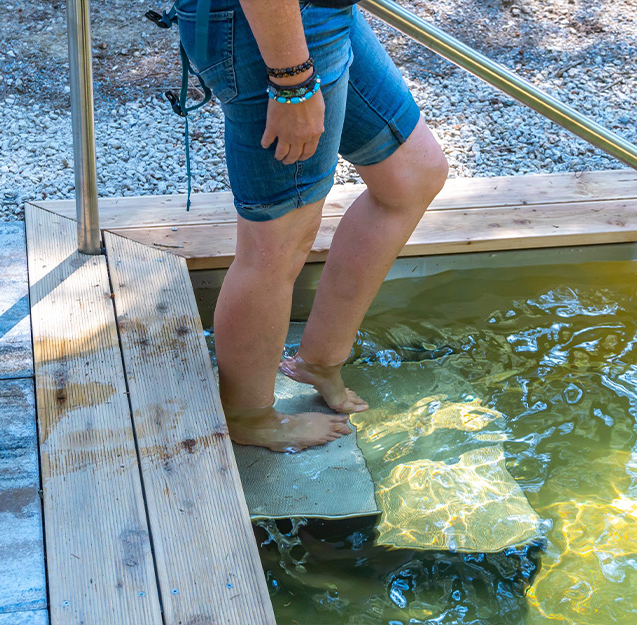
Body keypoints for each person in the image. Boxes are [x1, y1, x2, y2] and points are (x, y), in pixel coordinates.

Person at [176, 0, 449, 452]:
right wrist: (293, 83)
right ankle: (248, 416)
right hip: (276, 30)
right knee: (276, 244)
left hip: (325, 15)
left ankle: (320, 360)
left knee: (412, 174)